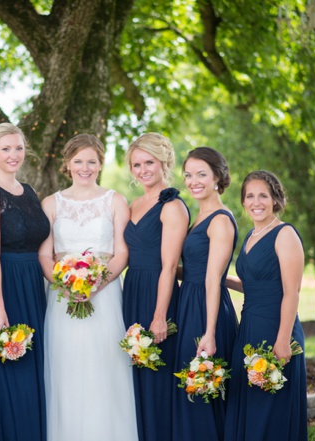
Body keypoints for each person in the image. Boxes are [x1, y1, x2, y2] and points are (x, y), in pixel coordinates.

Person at [39, 134, 138, 441]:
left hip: (105, 296)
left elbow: (122, 252)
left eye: (91, 161)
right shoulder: (51, 203)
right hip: (61, 296)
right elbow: (44, 253)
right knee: (66, 368)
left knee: (105, 366)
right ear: (67, 164)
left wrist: (96, 285)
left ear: (100, 164)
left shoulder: (115, 200)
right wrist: (64, 284)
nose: (85, 167)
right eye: (78, 161)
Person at [0, 123, 49, 441]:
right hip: (2, 287)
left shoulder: (29, 191)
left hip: (32, 289)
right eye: (6, 149)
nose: (14, 155)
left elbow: (43, 247)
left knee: (34, 373)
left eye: (18, 148)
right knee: (11, 375)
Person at [224, 170, 307, 441]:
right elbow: (254, 285)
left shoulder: (284, 234)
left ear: (275, 199)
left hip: (276, 328)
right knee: (250, 405)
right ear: (243, 201)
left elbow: (291, 292)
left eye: (263, 195)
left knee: (271, 410)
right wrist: (218, 278)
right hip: (248, 329)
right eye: (250, 196)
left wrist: (282, 341)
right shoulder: (250, 235)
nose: (255, 202)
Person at [121, 133, 189, 441]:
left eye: (149, 162)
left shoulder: (172, 207)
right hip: (131, 290)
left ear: (164, 163)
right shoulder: (133, 203)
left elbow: (169, 267)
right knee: (135, 373)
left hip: (156, 294)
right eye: (137, 164)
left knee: (157, 375)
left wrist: (160, 314)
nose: (143, 169)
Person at [171, 147, 239, 441]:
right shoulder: (198, 217)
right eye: (188, 174)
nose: (193, 180)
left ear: (217, 178)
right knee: (191, 385)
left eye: (201, 174)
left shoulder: (220, 220)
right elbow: (196, 269)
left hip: (206, 310)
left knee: (201, 385)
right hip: (189, 303)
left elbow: (214, 279)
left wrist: (209, 332)